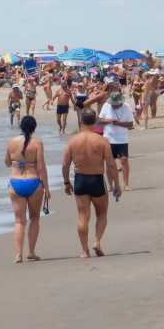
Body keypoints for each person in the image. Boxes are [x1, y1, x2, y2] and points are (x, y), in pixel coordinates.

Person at [62, 109, 121, 257]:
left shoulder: (73, 141)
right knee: (101, 214)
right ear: (94, 122)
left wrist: (66, 182)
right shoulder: (102, 141)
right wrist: (117, 184)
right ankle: (97, 242)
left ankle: (84, 251)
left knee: (83, 216)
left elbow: (65, 165)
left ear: (81, 121)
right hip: (97, 180)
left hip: (81, 180)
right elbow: (111, 165)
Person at [5, 115, 49, 264]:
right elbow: (41, 167)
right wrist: (47, 188)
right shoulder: (37, 143)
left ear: (21, 127)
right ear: (34, 128)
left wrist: (18, 161)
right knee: (34, 218)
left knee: (19, 221)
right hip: (34, 182)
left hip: (15, 183)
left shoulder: (11, 142)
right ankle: (31, 252)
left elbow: (7, 162)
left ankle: (18, 255)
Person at [98, 90, 135, 191]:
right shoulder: (106, 106)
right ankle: (111, 186)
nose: (114, 106)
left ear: (120, 102)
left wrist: (118, 123)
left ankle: (126, 184)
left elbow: (130, 124)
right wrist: (109, 121)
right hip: (108, 139)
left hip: (122, 139)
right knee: (110, 163)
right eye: (113, 104)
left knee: (124, 160)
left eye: (116, 104)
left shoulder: (126, 107)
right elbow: (99, 120)